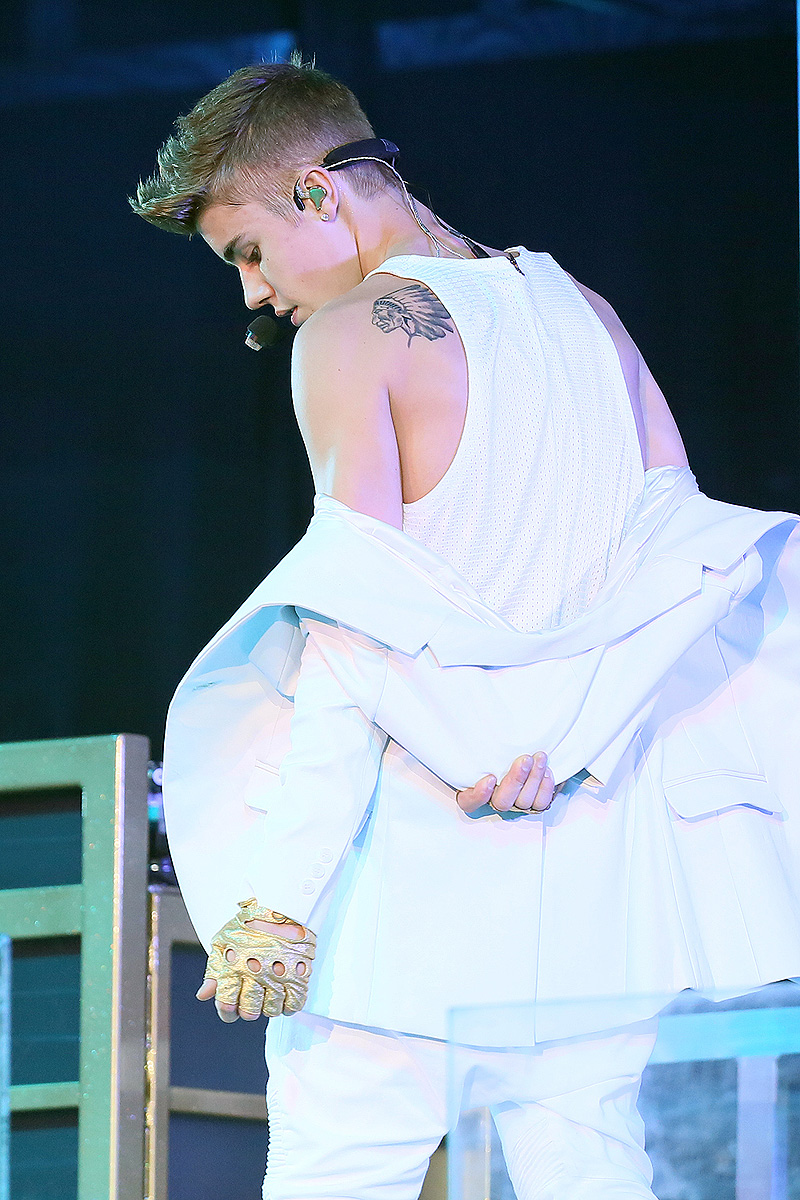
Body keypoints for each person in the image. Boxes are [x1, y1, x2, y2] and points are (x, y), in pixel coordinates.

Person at [131, 58, 800, 1200]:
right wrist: (565, 739)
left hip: (406, 881)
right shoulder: (584, 314)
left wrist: (279, 898)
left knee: (339, 1175)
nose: (251, 292)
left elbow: (355, 621)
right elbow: (683, 564)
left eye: (247, 251)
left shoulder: (351, 334)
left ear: (314, 193)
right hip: (594, 875)